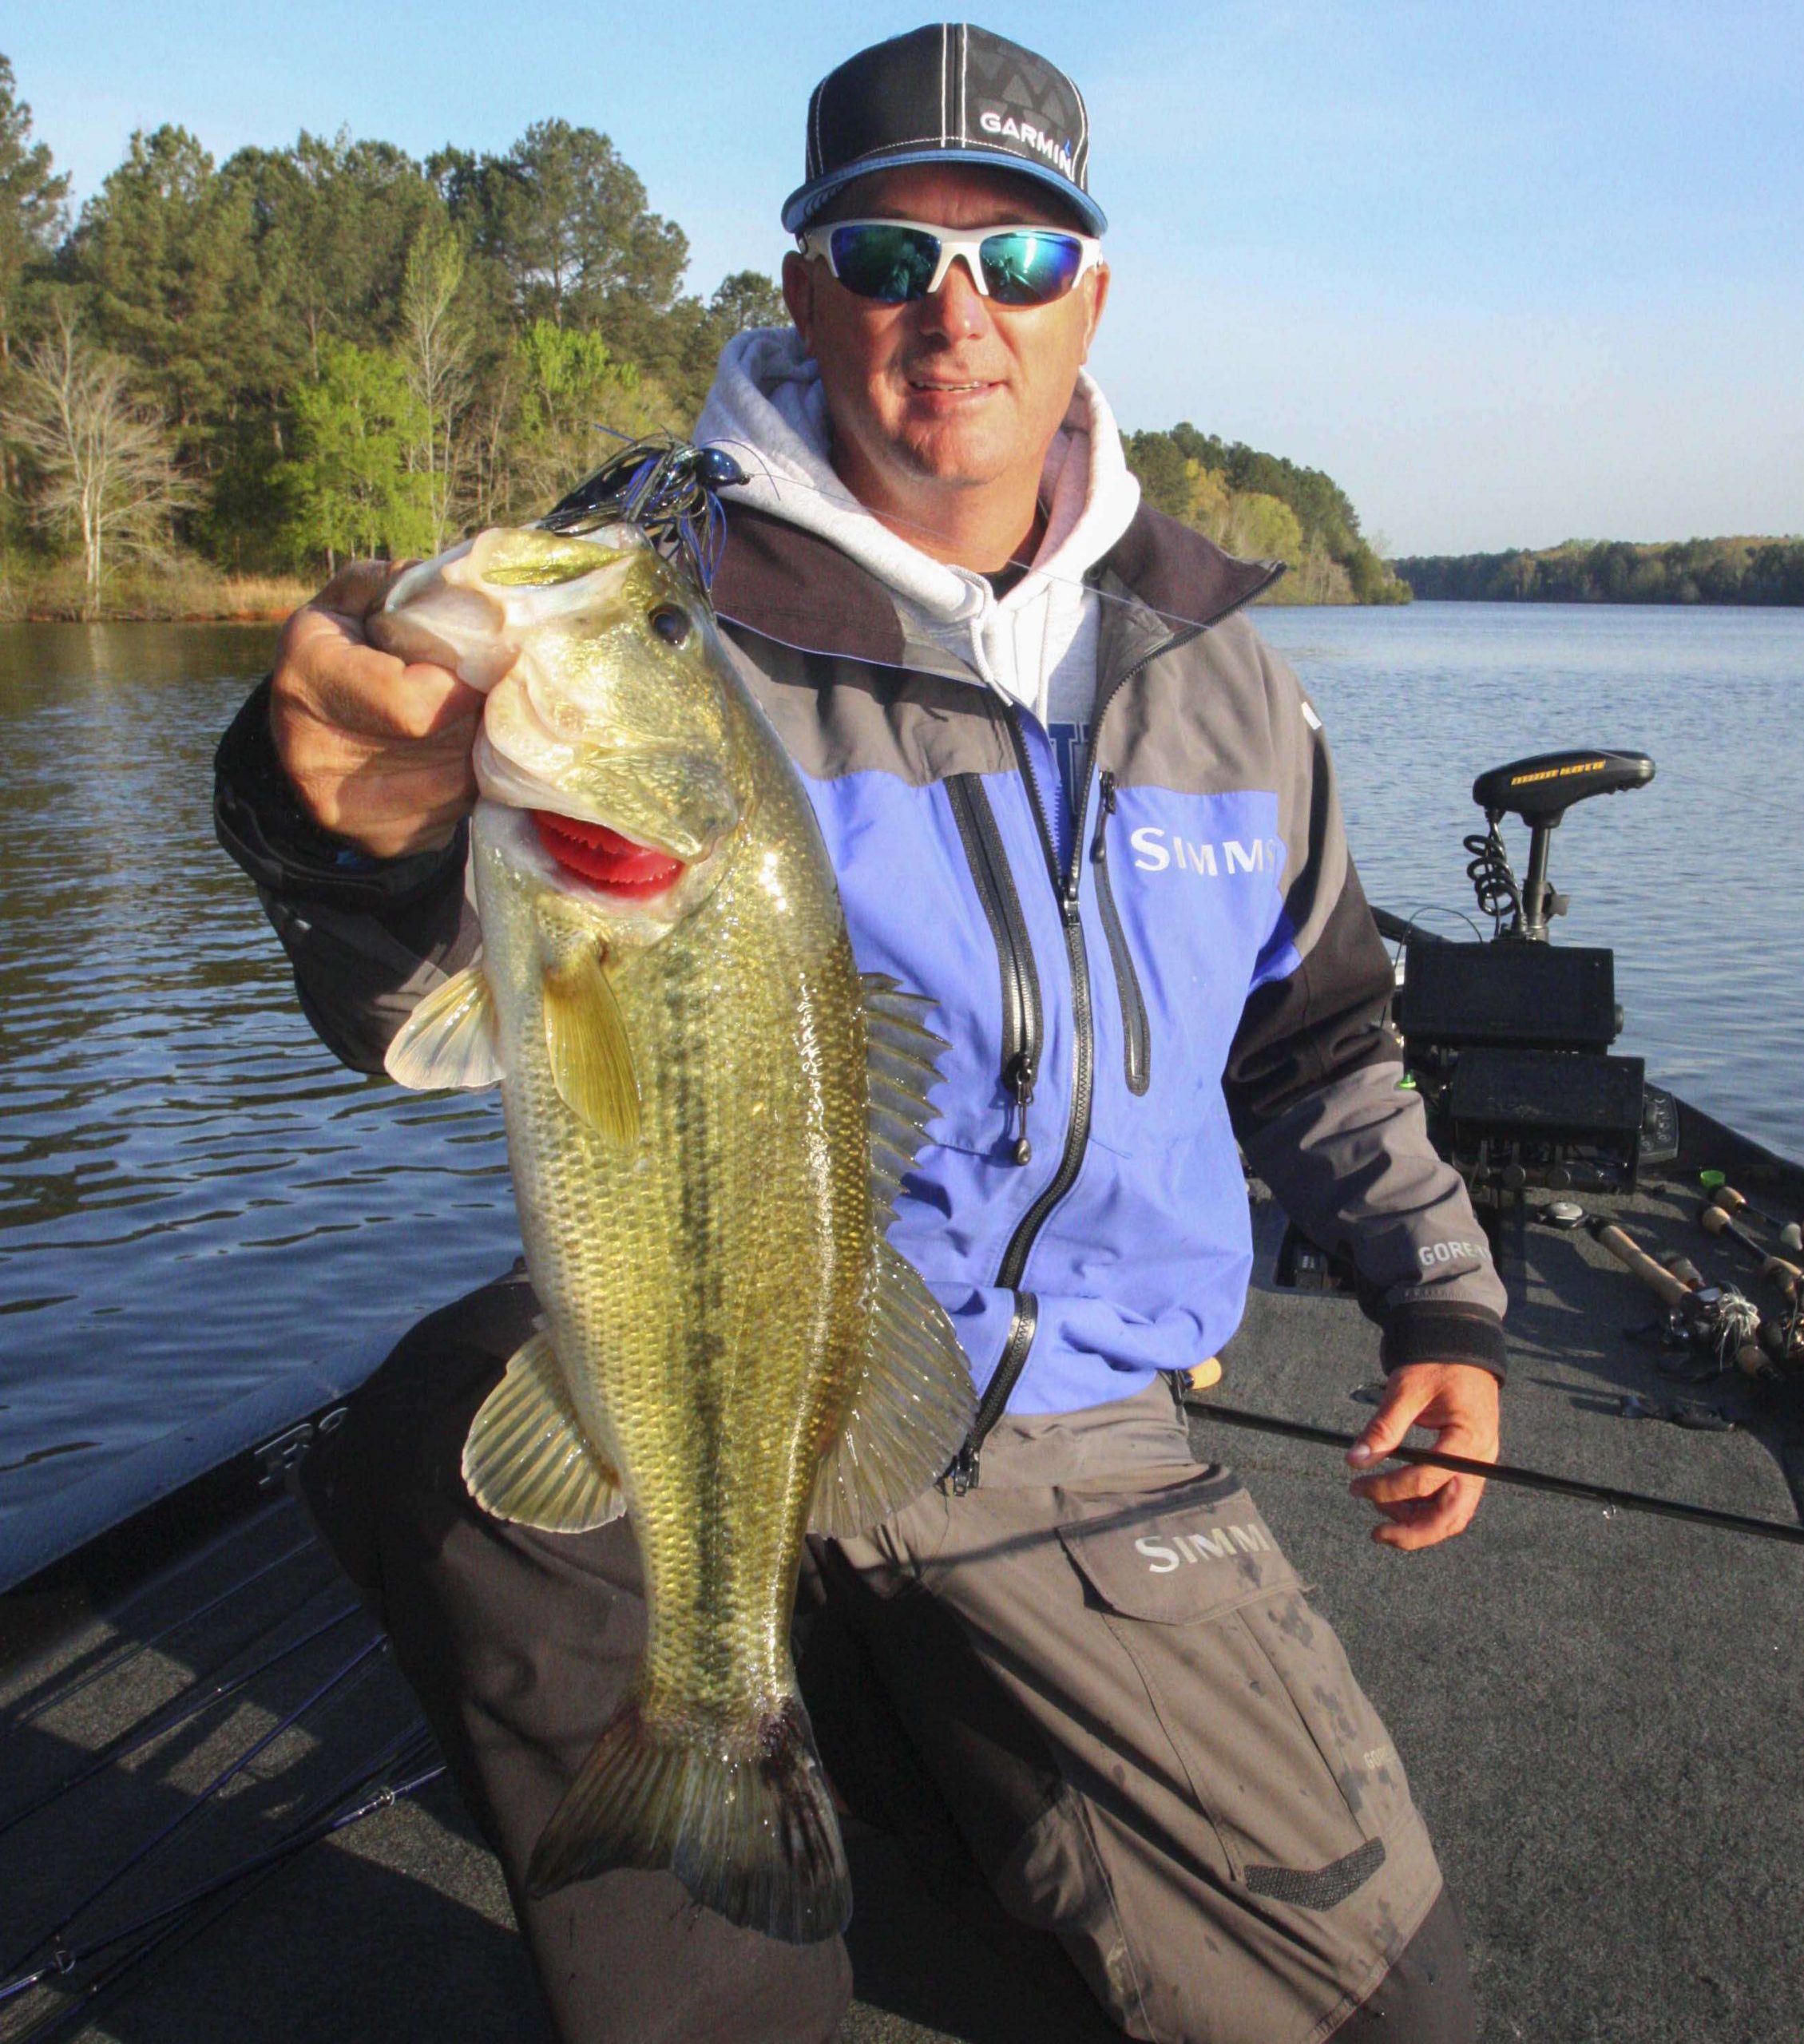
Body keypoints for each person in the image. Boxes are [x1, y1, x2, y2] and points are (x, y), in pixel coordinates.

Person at [215, 25, 1505, 2043]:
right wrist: (329, 817)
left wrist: (1445, 1306)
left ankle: (904, 1807)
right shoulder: (658, 586)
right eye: (892, 255)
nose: (953, 313)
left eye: (1015, 257)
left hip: (1083, 1443)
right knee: (449, 1441)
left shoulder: (1225, 679)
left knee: (1395, 2020)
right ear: (808, 286)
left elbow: (1323, 1035)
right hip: (752, 1351)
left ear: (1094, 293)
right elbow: (401, 982)